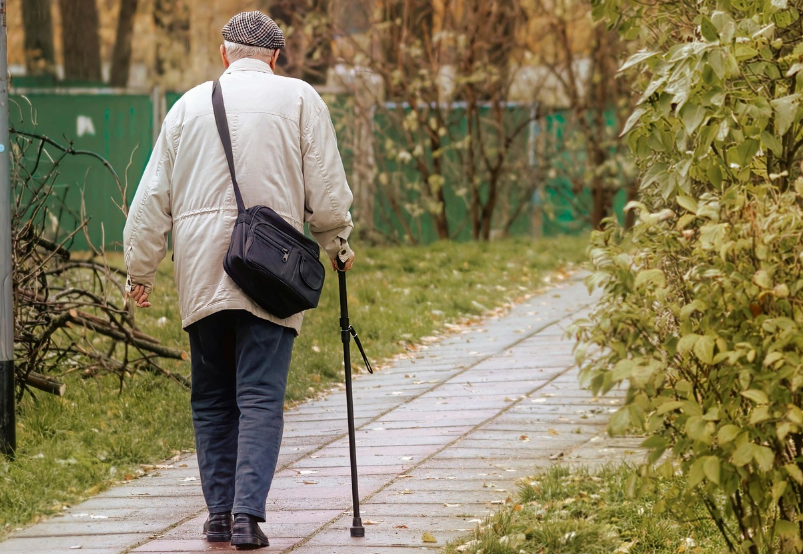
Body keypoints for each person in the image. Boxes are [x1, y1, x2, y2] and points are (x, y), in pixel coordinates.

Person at [123, 11, 355, 550]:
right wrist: (337, 244)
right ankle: (248, 516)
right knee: (259, 397)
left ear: (224, 54)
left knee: (210, 399)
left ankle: (216, 516)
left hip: (202, 270)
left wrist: (141, 269)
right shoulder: (300, 99)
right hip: (269, 270)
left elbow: (150, 199)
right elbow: (326, 186)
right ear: (275, 58)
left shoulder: (185, 108)